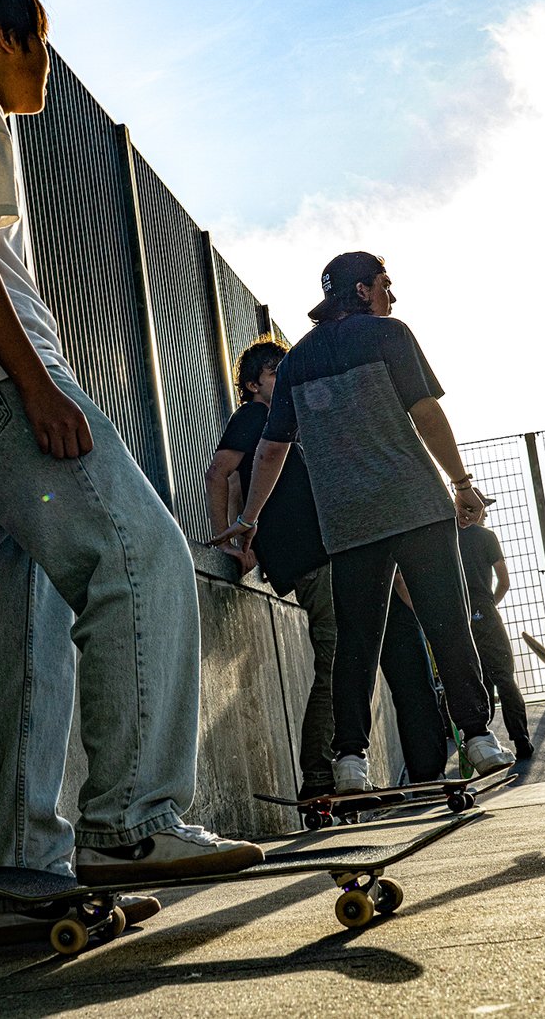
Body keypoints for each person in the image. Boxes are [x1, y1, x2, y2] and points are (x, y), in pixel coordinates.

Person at [0, 0, 260, 946]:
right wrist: (39, 385)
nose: (45, 64)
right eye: (40, 42)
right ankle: (131, 826)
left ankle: (20, 880)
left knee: (14, 634)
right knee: (140, 560)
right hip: (0, 393)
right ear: (3, 41)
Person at [211, 251, 515, 793]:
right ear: (360, 290)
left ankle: (350, 759)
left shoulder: (298, 361)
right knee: (446, 619)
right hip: (417, 508)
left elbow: (272, 449)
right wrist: (462, 484)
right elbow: (425, 412)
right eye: (384, 284)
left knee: (357, 639)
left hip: (348, 523)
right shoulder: (390, 334)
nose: (391, 295)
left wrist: (250, 518)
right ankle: (478, 736)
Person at [205, 339, 450, 796]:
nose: (284, 380)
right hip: (312, 560)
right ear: (254, 384)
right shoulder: (254, 417)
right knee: (338, 661)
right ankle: (321, 777)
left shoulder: (296, 423)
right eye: (275, 373)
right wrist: (233, 542)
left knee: (384, 653)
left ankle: (412, 769)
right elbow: (221, 472)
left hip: (344, 552)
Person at [458, 522, 535, 759]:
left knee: (472, 675)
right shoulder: (486, 536)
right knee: (503, 675)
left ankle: (476, 738)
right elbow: (504, 581)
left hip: (458, 611)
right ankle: (520, 738)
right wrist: (489, 604)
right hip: (484, 609)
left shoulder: (446, 536)